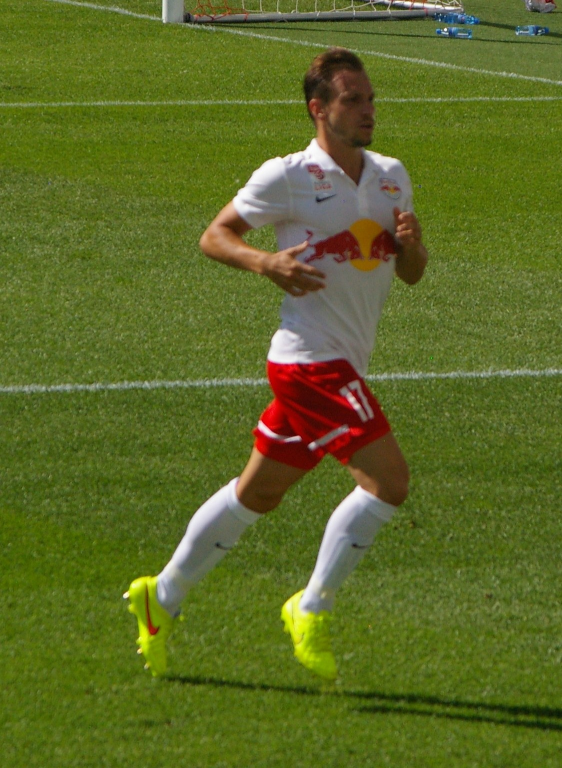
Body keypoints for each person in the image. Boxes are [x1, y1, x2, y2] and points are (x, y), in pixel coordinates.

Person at [125, 47, 428, 682]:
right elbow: (215, 235)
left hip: (343, 359)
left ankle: (163, 597)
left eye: (371, 99)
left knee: (258, 492)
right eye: (353, 100)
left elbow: (412, 275)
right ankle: (310, 606)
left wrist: (412, 247)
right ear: (320, 110)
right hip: (308, 362)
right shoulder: (288, 175)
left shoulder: (392, 174)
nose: (369, 110)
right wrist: (267, 263)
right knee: (389, 482)